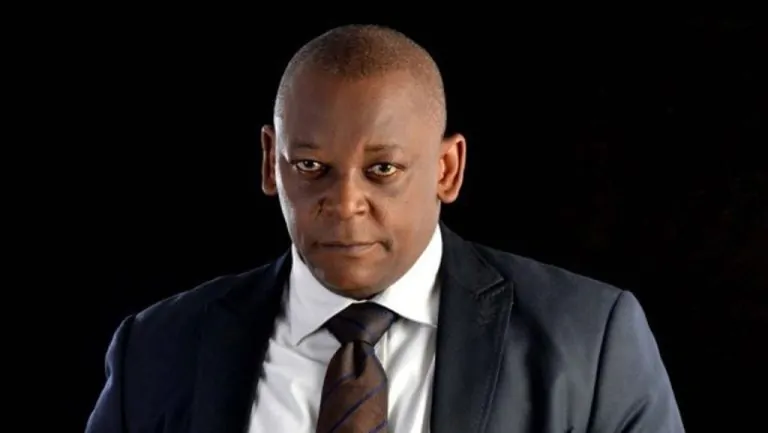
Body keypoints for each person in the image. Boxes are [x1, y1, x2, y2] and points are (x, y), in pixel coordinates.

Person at [86, 24, 685, 433]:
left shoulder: (591, 342)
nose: (346, 203)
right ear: (271, 162)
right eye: (311, 167)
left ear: (446, 169)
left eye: (382, 170)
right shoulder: (157, 350)